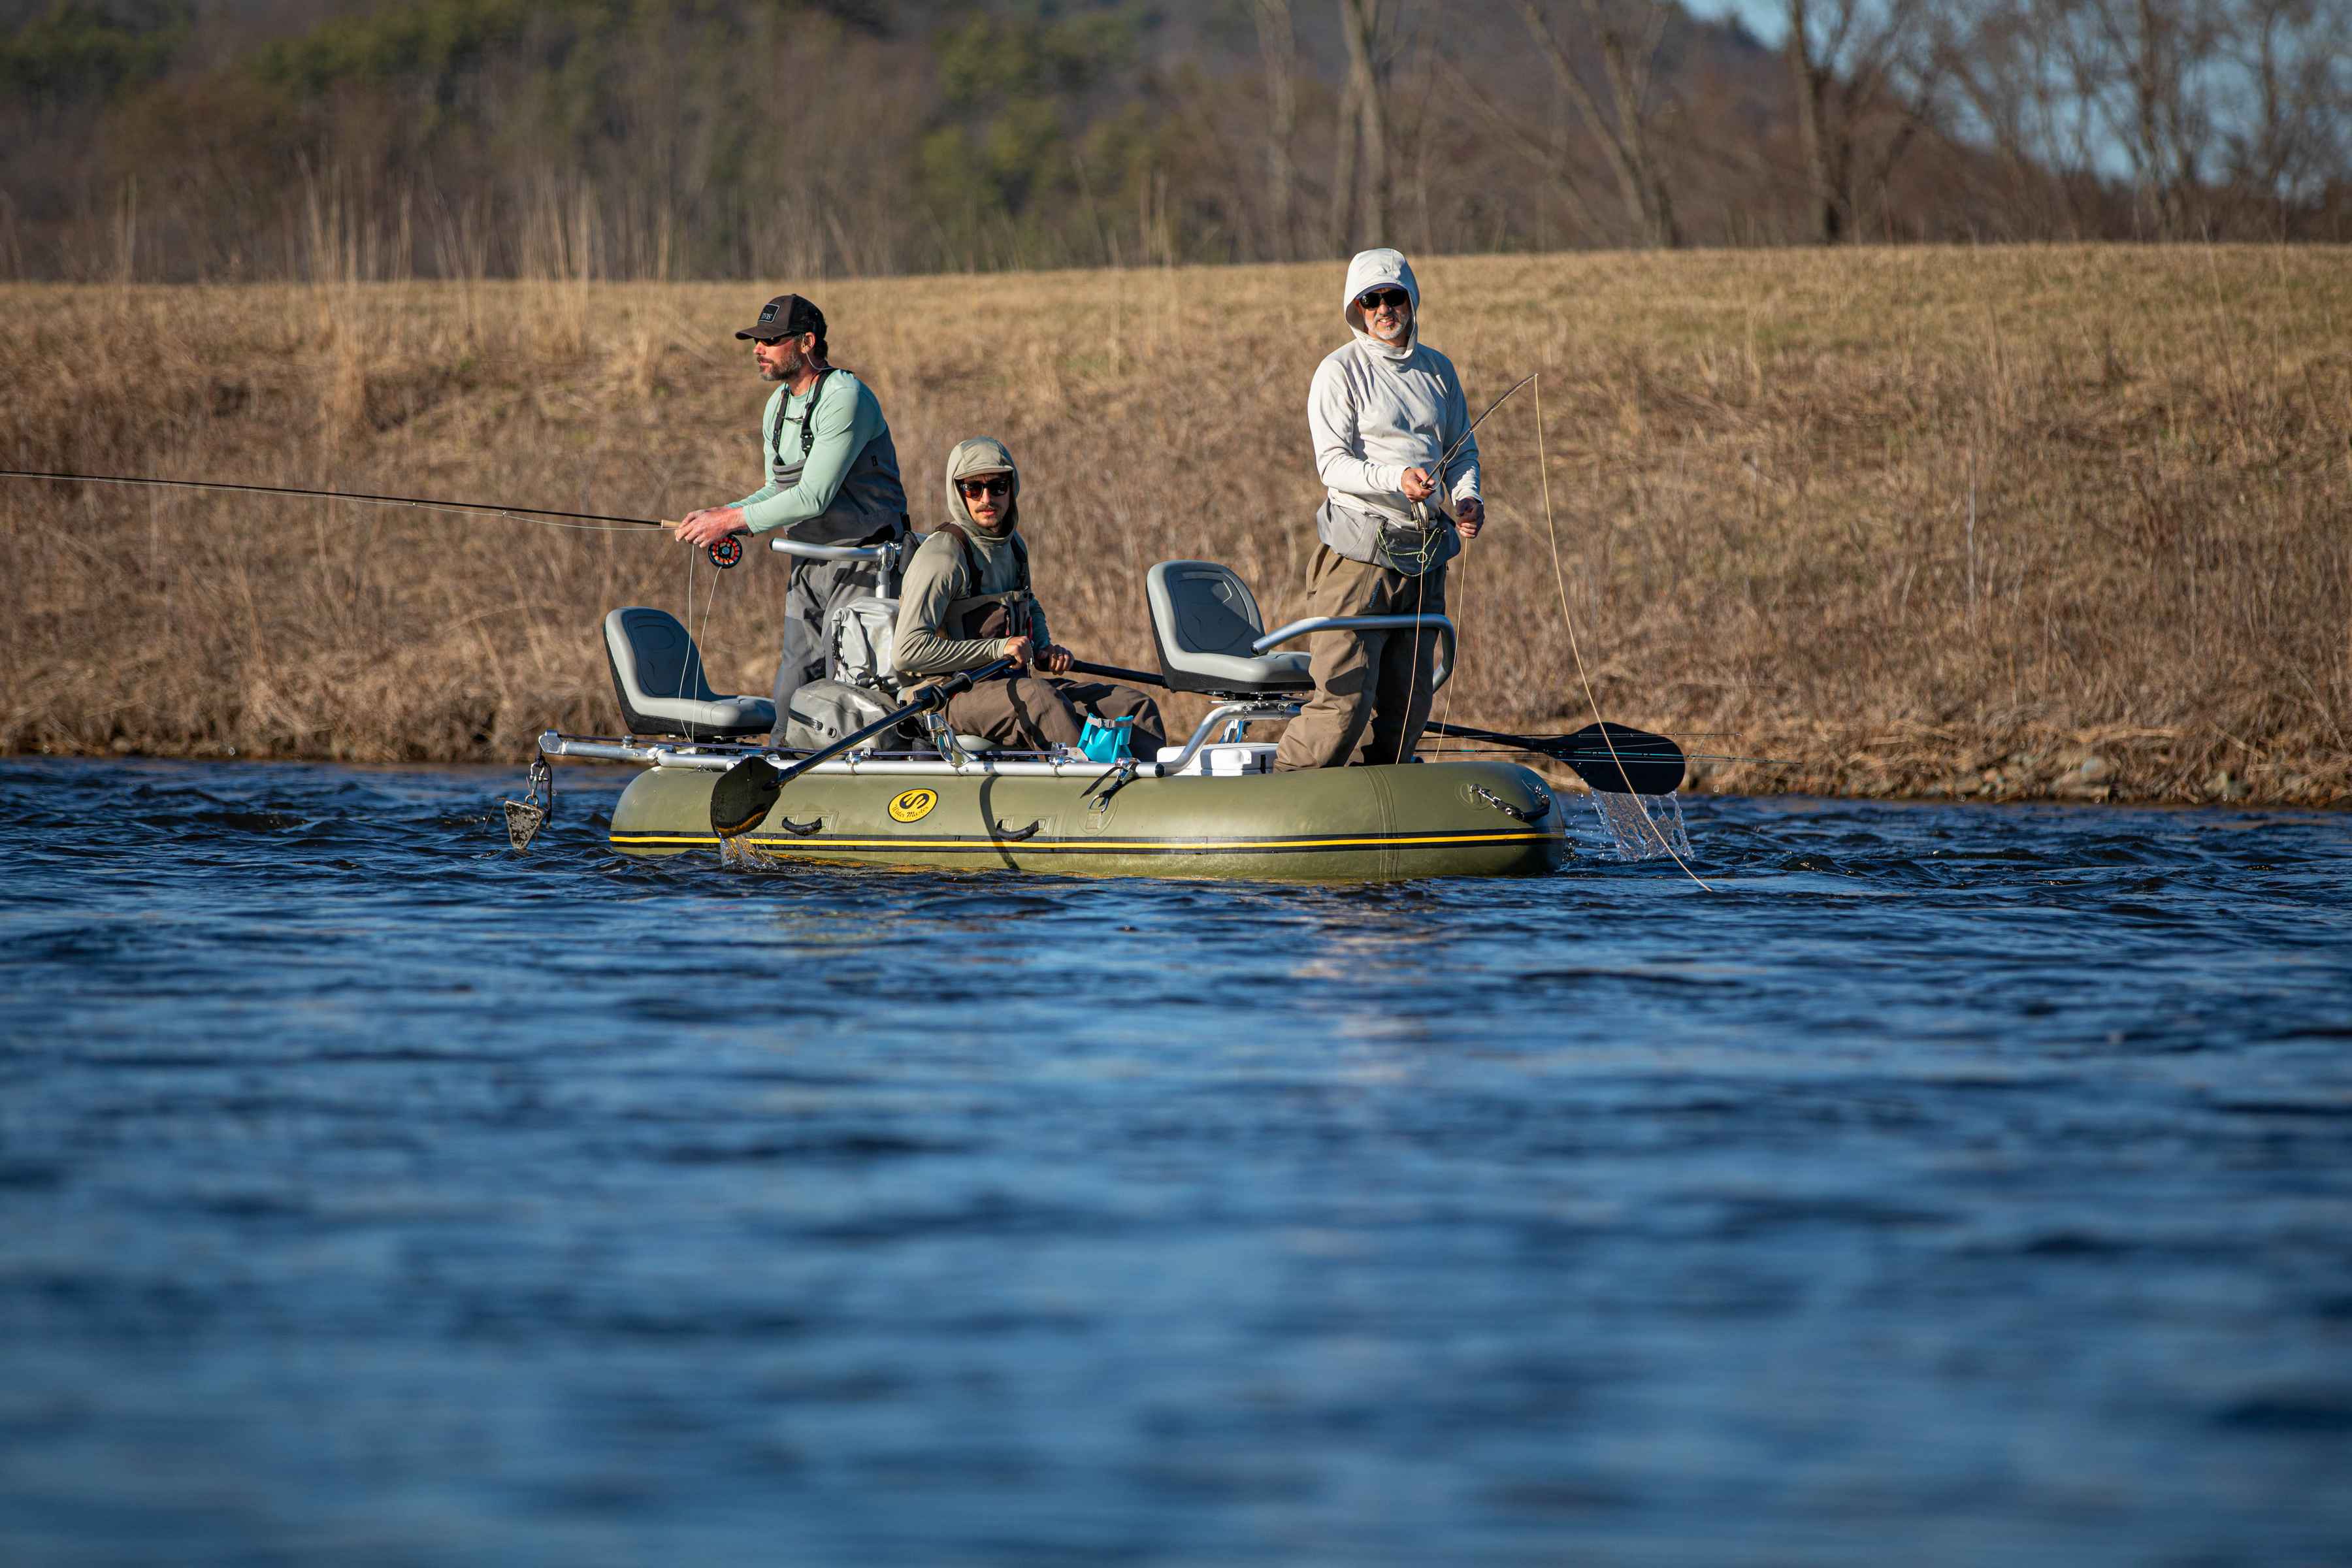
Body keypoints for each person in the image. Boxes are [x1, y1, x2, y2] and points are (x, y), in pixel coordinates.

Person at [1271, 248, 1484, 772]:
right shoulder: (1338, 372)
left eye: (1394, 297)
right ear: (1357, 308)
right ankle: (1285, 790)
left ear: (1411, 301)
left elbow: (1463, 452)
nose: (1384, 309)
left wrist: (1466, 498)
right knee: (1343, 706)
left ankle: (1377, 807)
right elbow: (1333, 466)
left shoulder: (1439, 371)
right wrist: (1397, 479)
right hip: (1357, 557)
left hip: (1426, 556)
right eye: (1372, 300)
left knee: (1408, 708)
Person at [676, 293, 909, 743]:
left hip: (865, 564)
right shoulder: (776, 407)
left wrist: (730, 520)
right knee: (791, 691)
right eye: (755, 340)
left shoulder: (846, 397)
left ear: (806, 342)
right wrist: (721, 514)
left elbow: (813, 497)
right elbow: (777, 492)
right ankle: (781, 771)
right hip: (807, 563)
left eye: (770, 340)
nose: (757, 349)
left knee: (850, 692)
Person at [894, 437, 1165, 758]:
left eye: (997, 486)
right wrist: (998, 648)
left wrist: (1044, 649)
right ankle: (1089, 793)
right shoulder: (943, 556)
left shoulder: (1014, 547)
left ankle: (1152, 793)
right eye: (973, 488)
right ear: (958, 491)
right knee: (1040, 699)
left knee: (1130, 705)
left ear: (1012, 487)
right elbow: (907, 652)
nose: (986, 498)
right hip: (946, 696)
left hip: (1009, 685)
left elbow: (1029, 604)